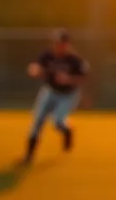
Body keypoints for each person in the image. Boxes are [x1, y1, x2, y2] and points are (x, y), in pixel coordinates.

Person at [22, 28, 89, 164]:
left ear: (67, 44)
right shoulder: (48, 54)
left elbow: (83, 77)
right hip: (50, 91)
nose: (58, 46)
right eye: (57, 43)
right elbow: (35, 66)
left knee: (58, 121)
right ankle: (28, 156)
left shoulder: (75, 60)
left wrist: (68, 79)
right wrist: (34, 70)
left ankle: (67, 132)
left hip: (68, 94)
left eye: (62, 43)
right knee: (37, 121)